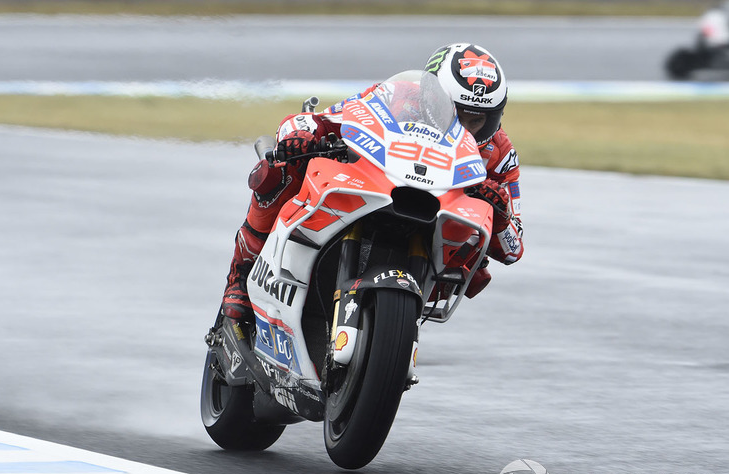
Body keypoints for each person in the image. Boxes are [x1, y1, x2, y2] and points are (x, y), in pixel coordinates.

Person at [219, 43, 524, 322]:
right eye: (457, 114)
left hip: (434, 239)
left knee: (478, 255)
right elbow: (319, 119)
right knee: (281, 169)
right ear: (432, 96)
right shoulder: (397, 96)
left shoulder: (499, 154)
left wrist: (500, 217)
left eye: (477, 120)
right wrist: (301, 136)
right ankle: (241, 274)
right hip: (374, 189)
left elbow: (514, 247)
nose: (467, 129)